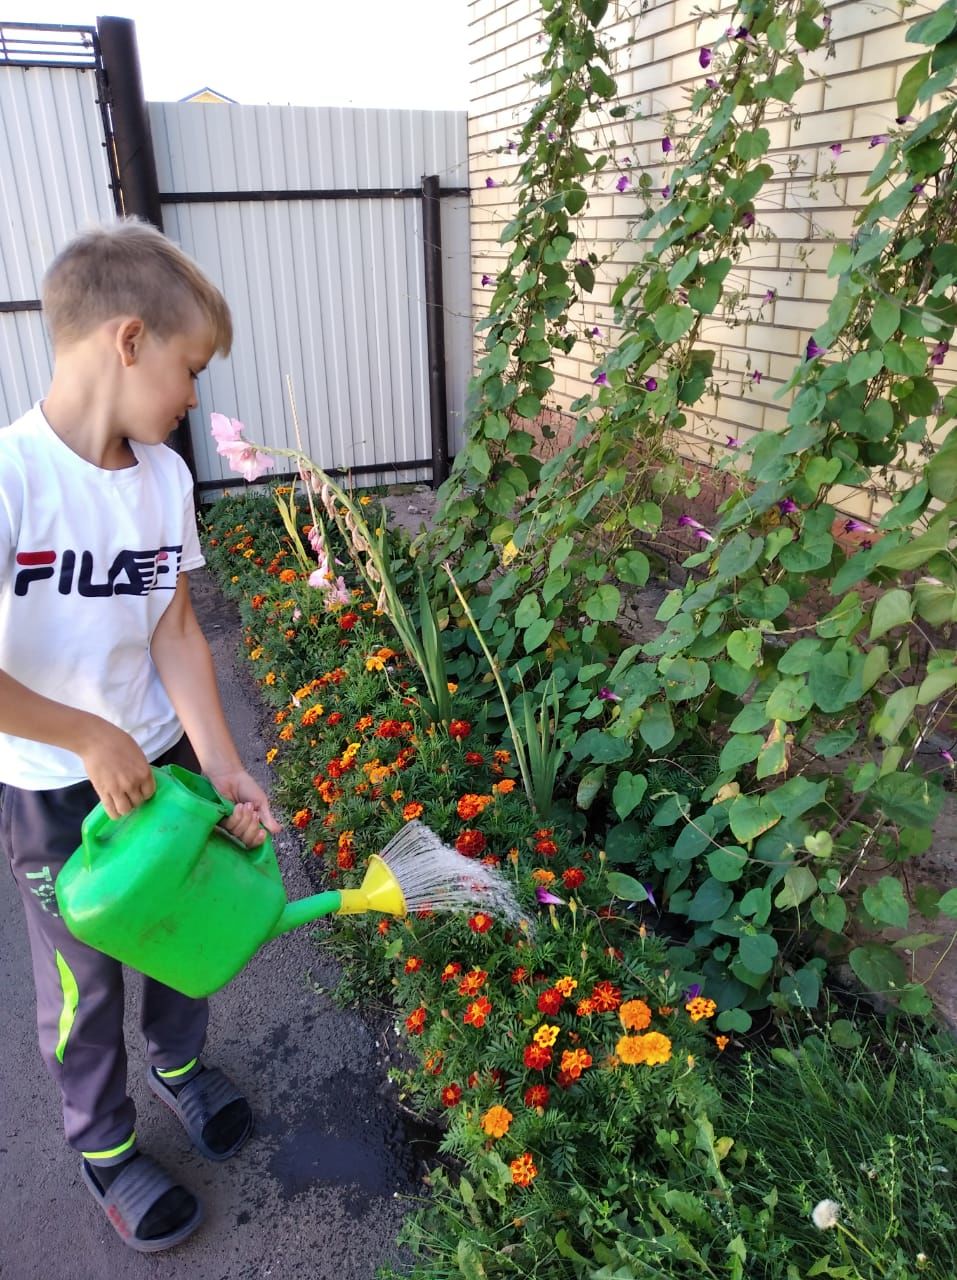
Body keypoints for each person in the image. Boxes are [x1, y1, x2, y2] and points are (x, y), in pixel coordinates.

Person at [0, 217, 281, 1252]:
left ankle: (180, 1062)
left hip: (159, 760)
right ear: (127, 341)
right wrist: (80, 734)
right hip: (50, 782)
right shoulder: (13, 479)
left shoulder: (164, 481)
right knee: (86, 972)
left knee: (183, 917)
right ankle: (105, 1141)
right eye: (189, 368)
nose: (195, 397)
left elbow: (171, 623)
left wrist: (219, 760)